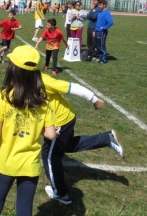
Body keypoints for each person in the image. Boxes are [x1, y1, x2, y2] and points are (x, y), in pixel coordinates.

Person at [0, 45, 56, 216]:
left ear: (12, 69)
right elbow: (51, 134)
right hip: (29, 165)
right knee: (24, 209)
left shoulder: (2, 97)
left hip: (4, 163)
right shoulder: (44, 102)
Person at [41, 72, 124, 205]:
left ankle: (61, 194)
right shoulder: (23, 82)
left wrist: (95, 100)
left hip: (60, 123)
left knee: (49, 156)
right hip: (65, 118)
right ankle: (106, 138)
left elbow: (73, 87)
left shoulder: (43, 81)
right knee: (67, 145)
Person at [94, 0, 114, 64]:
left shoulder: (107, 12)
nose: (99, 6)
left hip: (102, 32)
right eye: (98, 5)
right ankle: (100, 57)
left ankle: (104, 59)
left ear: (104, 5)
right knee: (97, 45)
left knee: (101, 45)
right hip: (97, 31)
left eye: (100, 5)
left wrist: (104, 27)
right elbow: (98, 23)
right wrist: (95, 31)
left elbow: (111, 22)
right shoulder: (99, 12)